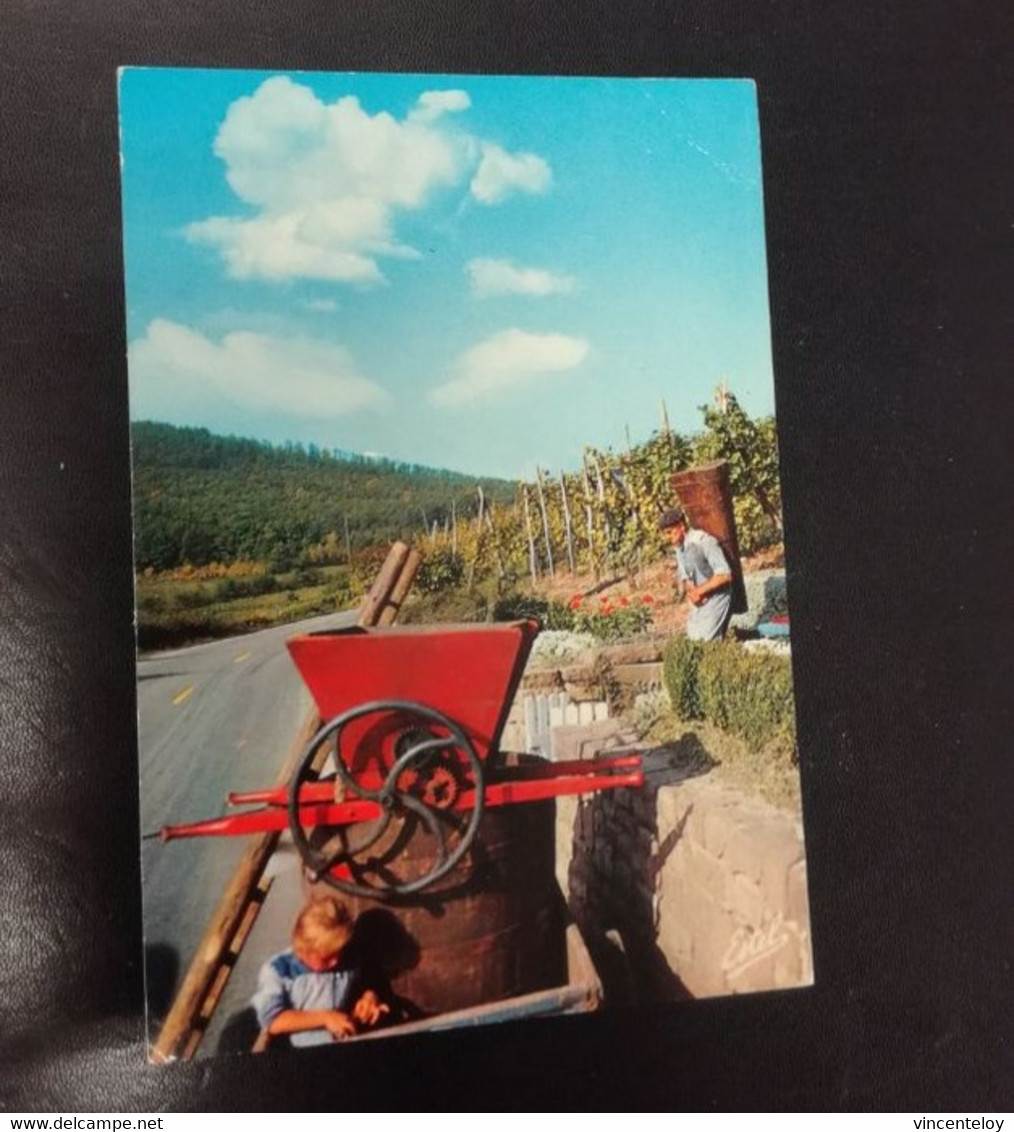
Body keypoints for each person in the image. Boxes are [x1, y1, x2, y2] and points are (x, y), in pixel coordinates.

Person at [252, 894, 389, 1047]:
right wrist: (326, 1018)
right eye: (327, 958)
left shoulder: (347, 957)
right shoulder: (278, 970)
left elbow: (368, 977)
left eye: (340, 953)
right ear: (304, 949)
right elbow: (273, 1020)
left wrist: (369, 997)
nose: (336, 961)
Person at [659, 507, 734, 642]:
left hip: (718, 596)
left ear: (681, 526)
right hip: (699, 600)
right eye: (665, 534)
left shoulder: (704, 541)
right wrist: (693, 594)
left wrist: (700, 591)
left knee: (705, 642)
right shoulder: (679, 547)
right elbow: (686, 577)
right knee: (691, 641)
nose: (668, 538)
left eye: (670, 532)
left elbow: (725, 575)